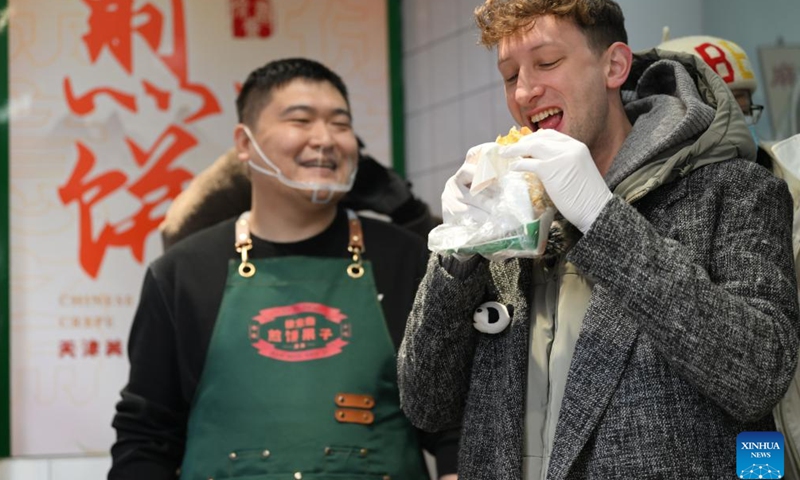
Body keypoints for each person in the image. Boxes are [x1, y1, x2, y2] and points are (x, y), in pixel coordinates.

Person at [397, 1, 799, 479]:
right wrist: (458, 254)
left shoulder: (733, 191)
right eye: (509, 75)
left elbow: (758, 375)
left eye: (547, 63)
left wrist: (602, 219)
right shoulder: (509, 207)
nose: (525, 90)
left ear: (614, 65)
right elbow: (427, 405)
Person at [109, 57, 458, 480]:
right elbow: (146, 437)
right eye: (301, 120)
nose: (325, 139)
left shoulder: (407, 260)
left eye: (340, 124)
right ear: (244, 142)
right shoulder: (181, 274)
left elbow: (452, 423)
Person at [658, 33, 800, 480]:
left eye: (744, 105)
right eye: (722, 104)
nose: (736, 119)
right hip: (723, 430)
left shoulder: (788, 179)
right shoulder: (654, 197)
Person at [158, 139, 439, 250]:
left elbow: (449, 259)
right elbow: (177, 232)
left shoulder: (359, 227)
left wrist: (409, 212)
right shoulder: (253, 174)